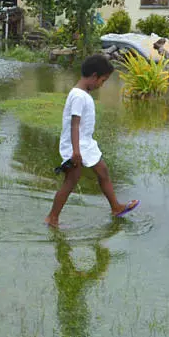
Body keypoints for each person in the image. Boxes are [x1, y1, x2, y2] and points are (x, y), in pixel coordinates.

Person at [45, 54, 139, 227]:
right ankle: (52, 218)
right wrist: (75, 152)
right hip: (77, 146)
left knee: (103, 171)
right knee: (70, 182)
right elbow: (74, 124)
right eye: (103, 81)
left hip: (85, 143)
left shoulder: (82, 94)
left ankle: (116, 207)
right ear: (94, 76)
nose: (102, 85)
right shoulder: (79, 96)